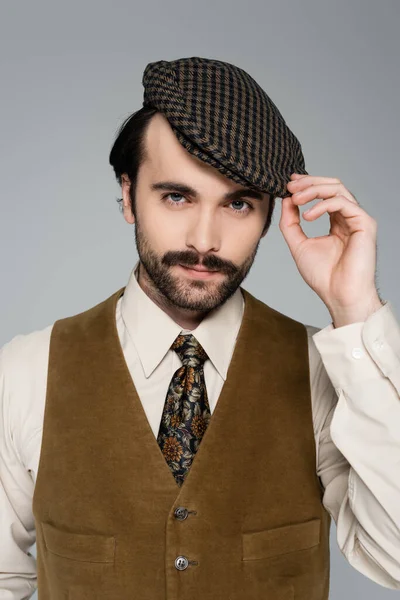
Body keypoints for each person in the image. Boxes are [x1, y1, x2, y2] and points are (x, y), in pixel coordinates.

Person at [0, 56, 399, 599]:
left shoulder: (322, 370)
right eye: (176, 196)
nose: (204, 239)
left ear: (268, 218)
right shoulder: (26, 371)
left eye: (237, 204)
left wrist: (356, 312)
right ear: (126, 196)